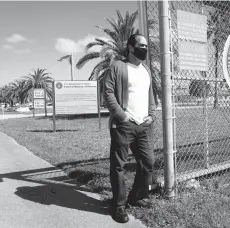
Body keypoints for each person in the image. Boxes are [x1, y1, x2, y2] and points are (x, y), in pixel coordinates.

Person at [103, 33, 156, 223]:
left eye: (146, 46)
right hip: (124, 125)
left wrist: (152, 113)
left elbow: (150, 94)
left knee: (148, 162)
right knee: (119, 165)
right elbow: (107, 92)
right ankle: (118, 206)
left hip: (144, 126)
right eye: (141, 45)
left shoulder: (146, 70)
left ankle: (137, 196)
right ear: (131, 47)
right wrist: (121, 115)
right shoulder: (118, 67)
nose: (145, 49)